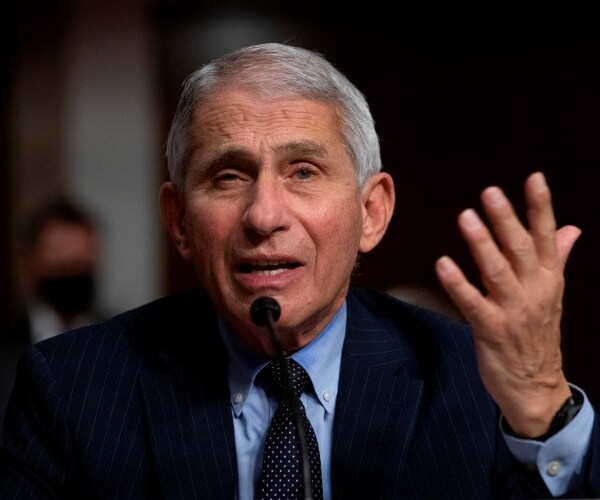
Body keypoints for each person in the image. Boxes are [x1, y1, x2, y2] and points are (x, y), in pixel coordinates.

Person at [0, 42, 597, 499]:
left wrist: (545, 408)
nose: (263, 215)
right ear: (179, 219)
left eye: (304, 172)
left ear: (371, 211)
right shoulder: (71, 389)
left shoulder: (472, 382)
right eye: (228, 176)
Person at [0, 198, 102, 434]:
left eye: (81, 264)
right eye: (60, 263)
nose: (72, 275)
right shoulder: (6, 349)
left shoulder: (122, 340)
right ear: (29, 264)